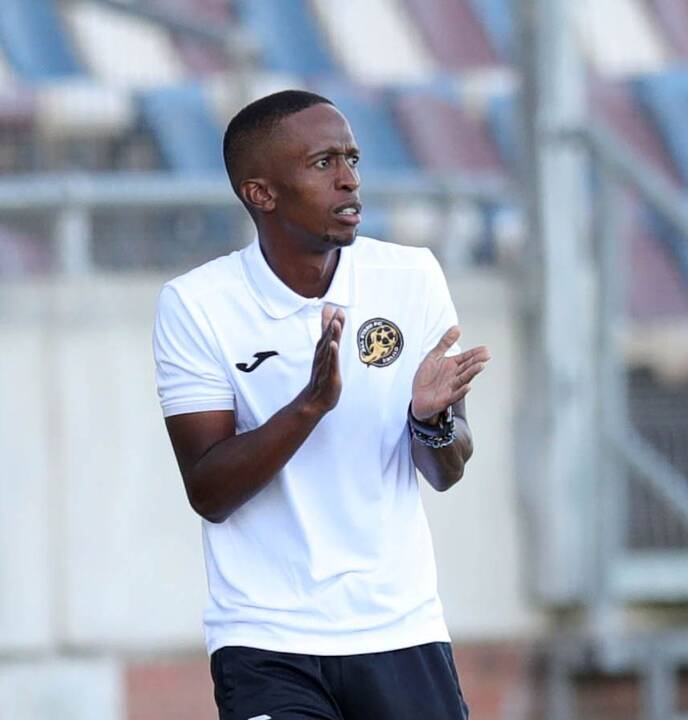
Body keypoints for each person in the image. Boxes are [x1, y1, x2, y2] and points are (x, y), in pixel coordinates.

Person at [152, 89, 491, 720]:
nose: (349, 179)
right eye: (323, 163)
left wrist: (430, 421)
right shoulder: (197, 304)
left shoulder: (411, 277)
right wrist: (309, 407)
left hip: (400, 628)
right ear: (261, 193)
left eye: (352, 159)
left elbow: (446, 470)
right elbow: (209, 491)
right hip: (265, 640)